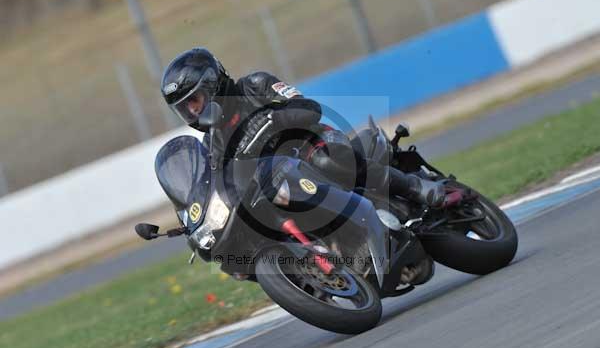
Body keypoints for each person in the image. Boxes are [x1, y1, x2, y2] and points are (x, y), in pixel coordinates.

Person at [160, 47, 452, 208]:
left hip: (314, 146)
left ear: (212, 83)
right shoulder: (215, 142)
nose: (193, 110)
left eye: (195, 100)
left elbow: (308, 108)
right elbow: (219, 182)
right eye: (185, 108)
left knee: (324, 158)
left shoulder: (254, 86)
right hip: (284, 183)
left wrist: (277, 119)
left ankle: (416, 188)